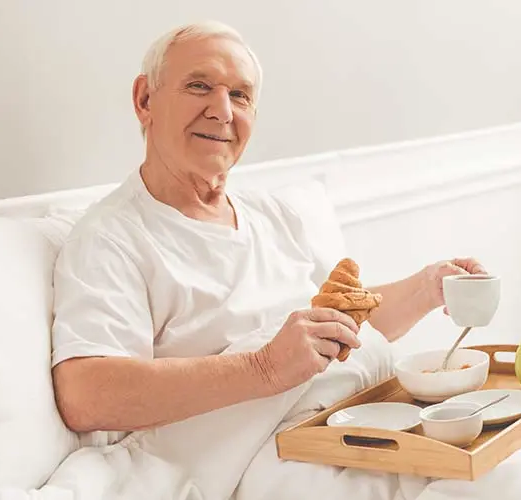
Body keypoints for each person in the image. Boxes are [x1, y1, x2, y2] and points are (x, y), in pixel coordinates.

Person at [47, 20, 487, 499]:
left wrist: (426, 288)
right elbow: (85, 394)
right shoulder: (112, 238)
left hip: (360, 423)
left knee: (518, 469)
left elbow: (336, 329)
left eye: (240, 95)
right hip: (264, 462)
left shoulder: (273, 214)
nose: (221, 111)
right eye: (199, 86)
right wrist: (265, 369)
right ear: (145, 100)